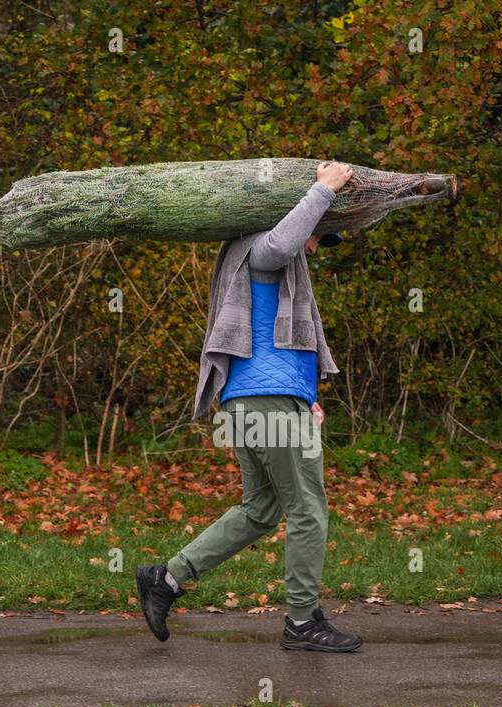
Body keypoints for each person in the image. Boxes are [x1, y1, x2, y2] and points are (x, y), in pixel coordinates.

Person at [136, 161, 363, 653]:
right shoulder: (258, 251)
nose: (315, 248)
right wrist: (322, 190)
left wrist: (308, 399)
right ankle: (302, 622)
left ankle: (166, 579)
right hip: (268, 402)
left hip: (252, 403)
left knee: (261, 509)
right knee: (307, 509)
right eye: (319, 238)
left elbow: (280, 343)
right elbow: (284, 242)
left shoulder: (259, 266)